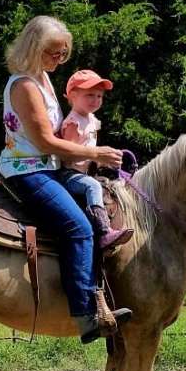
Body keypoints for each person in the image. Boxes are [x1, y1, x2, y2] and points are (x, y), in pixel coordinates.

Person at [0, 15, 131, 344]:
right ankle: (86, 315)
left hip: (48, 166)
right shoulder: (25, 86)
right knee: (79, 228)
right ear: (33, 47)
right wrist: (96, 154)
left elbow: (56, 133)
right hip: (26, 170)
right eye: (53, 53)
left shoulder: (42, 78)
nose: (59, 60)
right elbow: (43, 142)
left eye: (63, 54)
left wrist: (83, 146)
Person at [59, 69, 134, 249]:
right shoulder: (73, 123)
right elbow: (67, 153)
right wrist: (97, 155)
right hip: (68, 174)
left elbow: (90, 151)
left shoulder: (91, 119)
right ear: (72, 96)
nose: (96, 100)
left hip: (83, 172)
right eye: (90, 95)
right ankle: (103, 230)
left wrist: (104, 160)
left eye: (99, 96)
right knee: (92, 186)